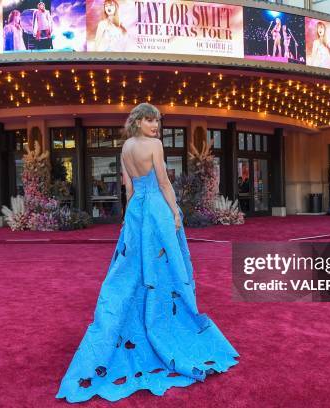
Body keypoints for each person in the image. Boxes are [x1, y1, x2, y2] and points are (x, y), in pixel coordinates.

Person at [56, 103, 239, 403]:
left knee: (134, 272)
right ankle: (164, 323)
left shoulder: (125, 147)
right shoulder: (153, 145)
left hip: (137, 213)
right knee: (167, 268)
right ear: (138, 121)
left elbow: (128, 189)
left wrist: (130, 218)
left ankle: (140, 323)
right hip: (156, 210)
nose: (156, 126)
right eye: (150, 120)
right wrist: (175, 213)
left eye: (158, 121)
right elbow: (164, 182)